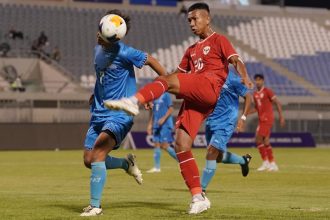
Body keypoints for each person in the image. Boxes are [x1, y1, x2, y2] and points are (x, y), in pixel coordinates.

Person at [105, 3, 253, 214]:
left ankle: (133, 101)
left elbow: (236, 61)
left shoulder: (219, 40)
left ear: (207, 19)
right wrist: (155, 93)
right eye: (189, 20)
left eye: (195, 19)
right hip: (197, 99)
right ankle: (198, 197)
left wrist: (245, 76)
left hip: (210, 87)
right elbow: (172, 76)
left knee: (169, 81)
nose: (192, 23)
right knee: (181, 144)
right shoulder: (190, 50)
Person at [80, 9, 167, 217]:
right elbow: (102, 76)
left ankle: (95, 206)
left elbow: (152, 61)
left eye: (101, 31)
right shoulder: (97, 50)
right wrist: (95, 94)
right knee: (88, 160)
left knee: (99, 153)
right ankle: (125, 164)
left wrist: (161, 88)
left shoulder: (126, 52)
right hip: (99, 112)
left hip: (121, 113)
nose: (98, 33)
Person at [201, 71, 252, 192]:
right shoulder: (208, 76)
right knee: (217, 158)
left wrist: (243, 118)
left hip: (226, 121)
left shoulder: (233, 79)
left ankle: (200, 190)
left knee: (211, 152)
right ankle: (243, 160)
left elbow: (248, 97)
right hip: (211, 121)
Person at [248, 73, 285, 172]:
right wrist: (246, 113)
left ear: (263, 81)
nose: (257, 81)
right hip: (261, 119)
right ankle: (272, 163)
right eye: (256, 80)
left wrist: (281, 116)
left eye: (259, 80)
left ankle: (265, 162)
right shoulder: (255, 94)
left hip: (267, 119)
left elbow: (277, 102)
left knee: (258, 139)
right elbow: (256, 108)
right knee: (266, 141)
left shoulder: (267, 91)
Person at [146, 92, 177, 173]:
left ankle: (182, 162)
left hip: (165, 124)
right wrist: (150, 124)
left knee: (164, 145)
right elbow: (153, 112)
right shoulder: (154, 96)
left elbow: (171, 109)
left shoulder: (166, 95)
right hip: (156, 124)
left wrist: (163, 118)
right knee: (156, 144)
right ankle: (157, 168)